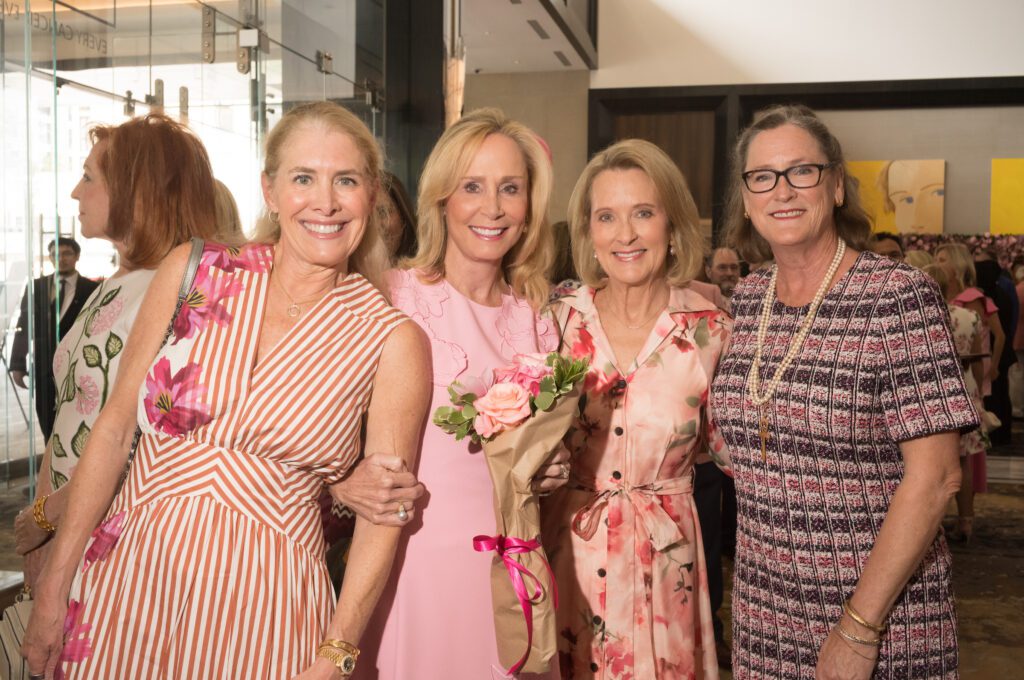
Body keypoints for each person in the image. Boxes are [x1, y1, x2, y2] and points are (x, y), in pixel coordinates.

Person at [22, 101, 430, 679]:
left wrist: (336, 656)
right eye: (303, 178)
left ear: (371, 194)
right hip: (128, 584)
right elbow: (113, 431)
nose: (326, 202)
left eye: (346, 180)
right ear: (269, 190)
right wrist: (54, 585)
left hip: (271, 610)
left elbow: (383, 517)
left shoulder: (391, 338)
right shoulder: (194, 270)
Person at [711, 104, 976, 679]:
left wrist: (859, 628)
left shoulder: (898, 297)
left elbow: (936, 478)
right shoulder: (751, 299)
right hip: (765, 619)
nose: (782, 190)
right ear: (747, 197)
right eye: (763, 176)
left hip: (880, 620)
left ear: (834, 186)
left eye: (801, 171)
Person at [352, 108, 568, 680]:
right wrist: (342, 482)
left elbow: (528, 463)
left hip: (509, 576)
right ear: (442, 198)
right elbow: (324, 423)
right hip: (410, 570)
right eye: (472, 186)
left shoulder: (537, 322)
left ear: (530, 205)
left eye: (510, 189)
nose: (492, 208)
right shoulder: (391, 297)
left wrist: (551, 468)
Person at [543, 138, 732, 678]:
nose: (624, 234)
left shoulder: (711, 332)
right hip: (569, 549)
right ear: (589, 232)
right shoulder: (555, 323)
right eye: (607, 217)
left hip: (665, 563)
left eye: (642, 213)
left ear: (672, 227)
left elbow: (736, 454)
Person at [13, 115, 221, 590]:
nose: (75, 193)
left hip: (117, 544)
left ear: (136, 190)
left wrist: (47, 516)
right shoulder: (119, 284)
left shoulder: (174, 292)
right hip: (71, 537)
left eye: (89, 177)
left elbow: (146, 443)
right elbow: (71, 414)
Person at [9, 238, 99, 439]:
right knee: (47, 426)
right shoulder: (37, 287)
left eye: (66, 253)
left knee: (76, 426)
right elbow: (24, 326)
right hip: (44, 370)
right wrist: (17, 363)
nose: (61, 259)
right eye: (55, 254)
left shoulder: (92, 290)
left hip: (78, 370)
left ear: (76, 256)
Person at [923, 264, 986, 543]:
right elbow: (978, 360)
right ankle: (966, 521)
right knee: (963, 462)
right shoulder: (969, 317)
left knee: (929, 465)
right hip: (965, 389)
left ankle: (931, 525)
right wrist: (980, 396)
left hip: (931, 394)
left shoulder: (922, 317)